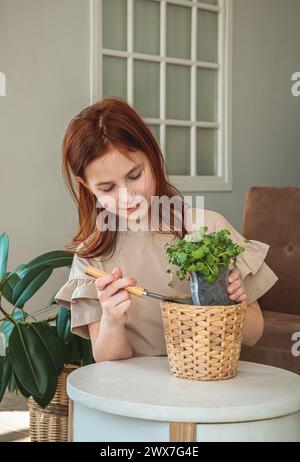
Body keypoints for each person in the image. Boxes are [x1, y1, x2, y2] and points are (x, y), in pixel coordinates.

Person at [54, 98, 278, 362]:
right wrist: (112, 320)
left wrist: (229, 305)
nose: (127, 196)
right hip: (136, 395)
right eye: (107, 188)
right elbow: (107, 359)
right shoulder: (91, 255)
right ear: (86, 185)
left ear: (152, 155)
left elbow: (254, 334)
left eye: (135, 175)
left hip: (207, 386)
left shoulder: (209, 230)